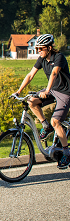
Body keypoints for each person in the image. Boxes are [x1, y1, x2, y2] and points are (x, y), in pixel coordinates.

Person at [15, 33, 70, 169]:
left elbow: (54, 73)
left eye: (40, 49)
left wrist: (47, 90)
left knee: (56, 121)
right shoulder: (41, 59)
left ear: (49, 48)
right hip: (52, 90)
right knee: (32, 101)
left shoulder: (59, 57)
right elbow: (30, 75)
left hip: (65, 92)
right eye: (37, 49)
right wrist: (18, 91)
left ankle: (66, 153)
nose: (38, 51)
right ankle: (46, 126)